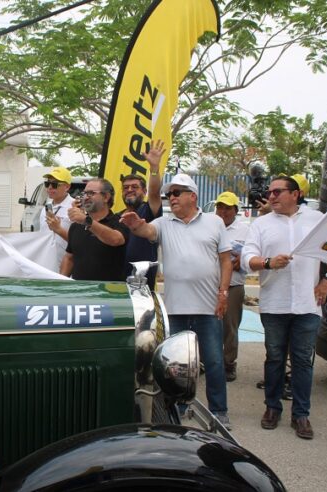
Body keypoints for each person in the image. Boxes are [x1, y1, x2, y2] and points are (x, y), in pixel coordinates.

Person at [121, 174, 233, 429]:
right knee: (176, 365)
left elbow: (226, 261)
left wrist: (223, 293)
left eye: (177, 193)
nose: (171, 198)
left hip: (208, 307)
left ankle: (219, 411)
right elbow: (146, 230)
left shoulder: (215, 222)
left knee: (214, 361)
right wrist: (135, 224)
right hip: (176, 308)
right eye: (169, 194)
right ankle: (178, 407)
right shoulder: (164, 222)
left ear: (192, 196)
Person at [241, 175, 327, 440]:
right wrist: (268, 263)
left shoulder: (316, 219)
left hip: (308, 304)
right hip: (275, 304)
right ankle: (272, 408)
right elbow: (247, 258)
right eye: (270, 192)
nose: (271, 196)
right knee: (274, 358)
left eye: (277, 191)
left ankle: (301, 415)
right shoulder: (261, 224)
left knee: (302, 361)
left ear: (295, 194)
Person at [60, 178, 128, 281]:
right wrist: (60, 281)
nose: (85, 197)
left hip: (110, 293)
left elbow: (116, 239)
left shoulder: (121, 221)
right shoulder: (76, 226)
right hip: (80, 291)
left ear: (106, 197)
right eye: (85, 193)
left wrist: (86, 221)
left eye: (91, 193)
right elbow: (69, 257)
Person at [214, 191, 249, 382]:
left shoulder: (245, 230)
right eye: (220, 207)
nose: (223, 211)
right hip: (210, 284)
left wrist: (243, 259)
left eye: (227, 208)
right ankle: (205, 360)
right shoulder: (209, 225)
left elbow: (253, 254)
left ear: (236, 210)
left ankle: (228, 364)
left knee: (230, 327)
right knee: (208, 325)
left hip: (234, 285)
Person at [119, 140, 164, 289]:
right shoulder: (117, 216)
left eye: (135, 187)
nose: (129, 190)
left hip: (141, 285)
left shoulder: (149, 211)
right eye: (126, 187)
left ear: (144, 192)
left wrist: (154, 167)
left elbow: (155, 192)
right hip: (116, 284)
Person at [39, 167, 75, 267]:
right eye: (47, 184)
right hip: (46, 263)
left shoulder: (75, 207)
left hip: (66, 267)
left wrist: (58, 229)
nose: (49, 187)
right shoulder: (45, 208)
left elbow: (80, 242)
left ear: (67, 187)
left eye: (54, 184)